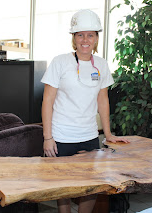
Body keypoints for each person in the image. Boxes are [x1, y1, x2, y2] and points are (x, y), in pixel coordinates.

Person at [41, 9, 129, 213]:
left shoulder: (101, 65)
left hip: (88, 136)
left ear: (97, 38)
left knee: (90, 186)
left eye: (90, 34)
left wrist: (107, 134)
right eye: (80, 34)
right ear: (74, 38)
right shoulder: (60, 62)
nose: (85, 39)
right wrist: (48, 137)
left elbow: (103, 99)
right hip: (61, 136)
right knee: (63, 186)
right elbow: (47, 101)